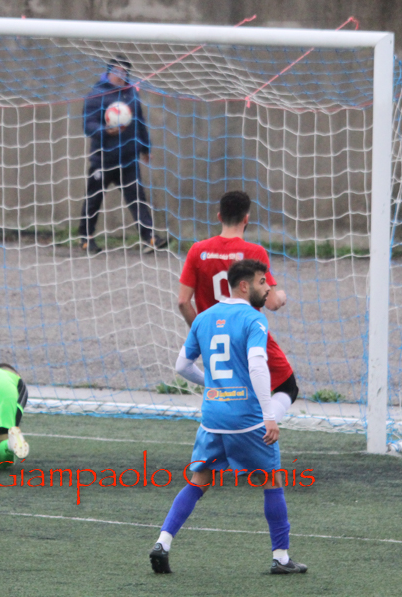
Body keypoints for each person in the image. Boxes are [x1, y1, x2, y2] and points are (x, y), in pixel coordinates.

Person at [150, 259, 307, 575]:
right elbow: (258, 365)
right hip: (246, 419)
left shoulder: (204, 317)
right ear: (245, 286)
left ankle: (162, 543)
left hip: (212, 418)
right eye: (262, 282)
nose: (268, 288)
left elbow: (182, 366)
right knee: (272, 480)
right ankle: (281, 558)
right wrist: (269, 416)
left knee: (199, 481)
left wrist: (211, 384)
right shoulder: (254, 318)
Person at [177, 190, 297, 423]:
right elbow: (271, 303)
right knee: (287, 387)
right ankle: (261, 427)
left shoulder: (197, 250)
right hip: (249, 334)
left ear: (219, 217)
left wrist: (203, 333)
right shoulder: (254, 252)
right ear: (246, 218)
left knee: (228, 391)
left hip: (216, 339)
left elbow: (183, 301)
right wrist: (282, 296)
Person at [78, 57, 167, 255]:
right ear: (108, 72)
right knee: (94, 200)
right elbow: (88, 124)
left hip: (128, 160)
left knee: (137, 199)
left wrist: (145, 148)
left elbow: (139, 122)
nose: (120, 76)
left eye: (124, 72)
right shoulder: (97, 94)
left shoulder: (131, 94)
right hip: (103, 159)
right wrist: (105, 130)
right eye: (117, 71)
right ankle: (86, 238)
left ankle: (150, 238)